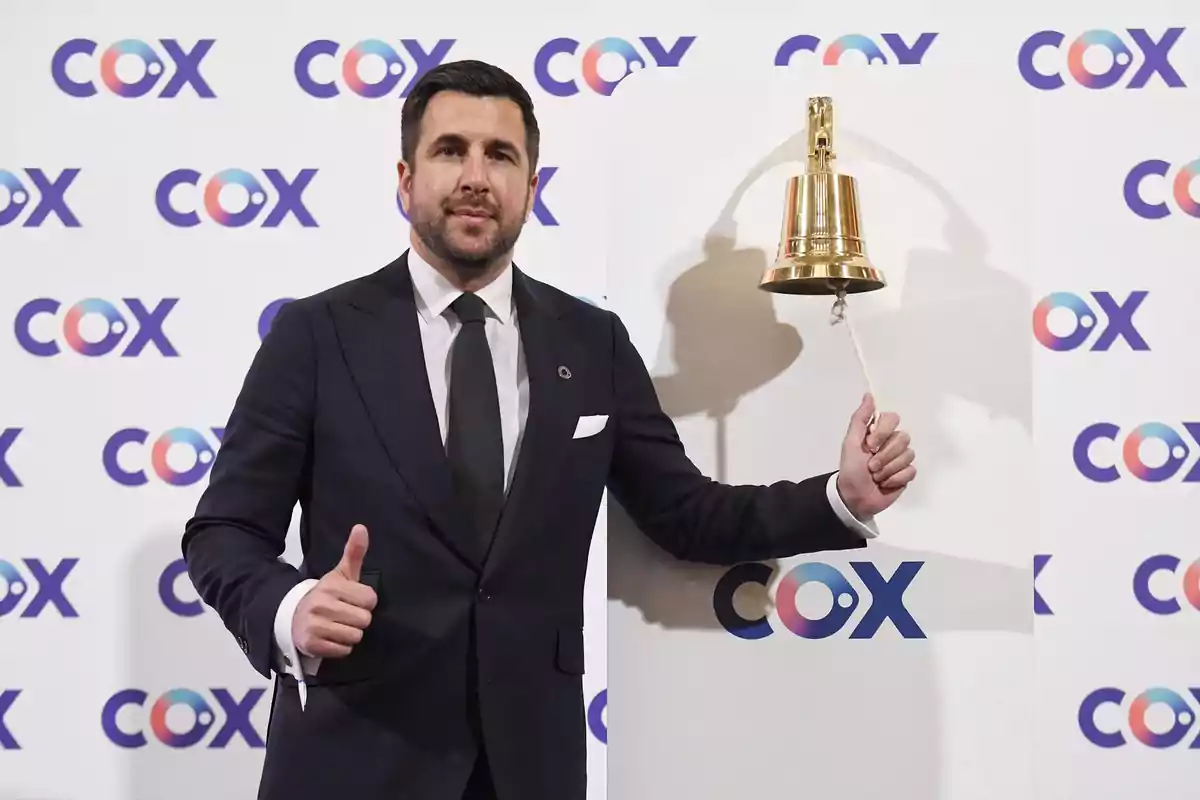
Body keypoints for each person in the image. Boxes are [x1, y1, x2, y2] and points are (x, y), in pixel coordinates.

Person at [181, 59, 916, 800]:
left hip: (528, 767)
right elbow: (223, 532)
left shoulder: (590, 343)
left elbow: (686, 515)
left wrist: (840, 497)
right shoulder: (316, 335)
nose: (476, 176)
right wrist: (290, 608)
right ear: (405, 180)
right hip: (355, 762)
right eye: (450, 151)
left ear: (531, 189)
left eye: (501, 156)